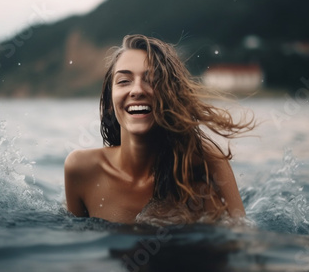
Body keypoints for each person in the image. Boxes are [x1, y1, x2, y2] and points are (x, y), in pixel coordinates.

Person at [64, 34, 254, 225]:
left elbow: (243, 239)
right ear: (110, 103)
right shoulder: (81, 169)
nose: (137, 90)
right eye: (124, 81)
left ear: (171, 96)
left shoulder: (207, 163)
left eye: (152, 79)